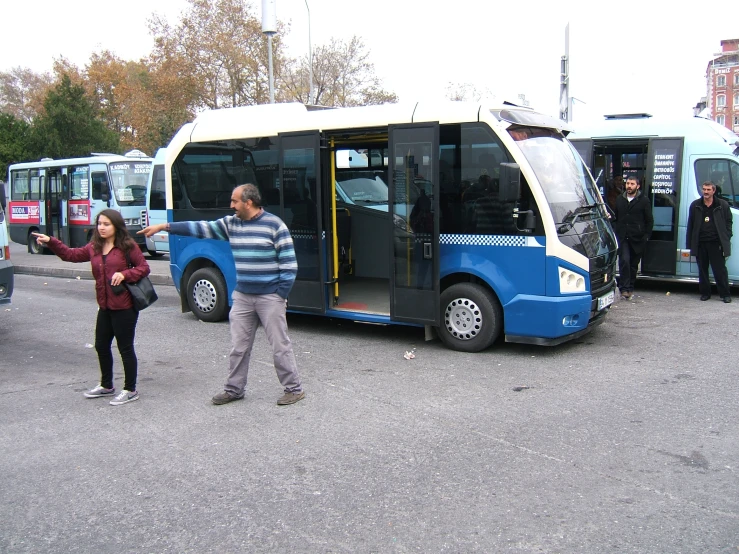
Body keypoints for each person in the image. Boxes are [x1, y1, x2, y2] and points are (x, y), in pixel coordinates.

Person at [139, 183, 305, 406]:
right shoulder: (231, 224)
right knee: (239, 347)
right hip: (243, 296)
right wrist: (164, 226)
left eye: (235, 201)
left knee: (279, 345)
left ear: (249, 202)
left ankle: (294, 389)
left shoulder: (274, 225)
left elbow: (289, 265)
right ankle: (234, 389)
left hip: (269, 298)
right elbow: (200, 228)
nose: (231, 205)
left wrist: (278, 294)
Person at [32, 209, 151, 405]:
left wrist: (125, 274)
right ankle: (106, 385)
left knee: (125, 348)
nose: (102, 228)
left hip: (124, 306)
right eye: (100, 224)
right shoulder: (94, 247)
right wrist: (51, 241)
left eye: (106, 224)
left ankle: (130, 389)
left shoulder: (127, 246)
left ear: (116, 226)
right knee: (101, 345)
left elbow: (144, 268)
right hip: (104, 305)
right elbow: (70, 255)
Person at [686, 181, 733, 303]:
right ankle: (705, 293)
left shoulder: (722, 205)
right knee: (702, 269)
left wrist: (726, 236)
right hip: (701, 243)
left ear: (714, 191)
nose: (706, 192)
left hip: (716, 243)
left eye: (708, 190)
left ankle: (725, 294)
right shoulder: (695, 205)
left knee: (720, 270)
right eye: (704, 189)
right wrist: (690, 244)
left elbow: (729, 222)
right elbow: (690, 225)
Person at [613, 176, 653, 299]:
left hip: (638, 237)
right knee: (624, 260)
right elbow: (616, 217)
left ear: (638, 186)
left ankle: (630, 287)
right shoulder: (620, 199)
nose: (629, 186)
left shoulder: (644, 200)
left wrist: (646, 236)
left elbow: (649, 220)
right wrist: (616, 231)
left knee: (633, 264)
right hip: (623, 236)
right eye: (628, 183)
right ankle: (624, 288)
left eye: (632, 184)